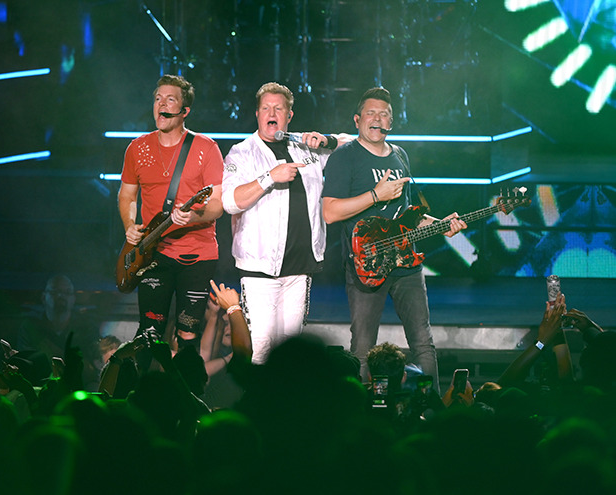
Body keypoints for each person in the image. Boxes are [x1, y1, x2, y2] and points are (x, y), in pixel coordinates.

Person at [321, 86, 467, 388]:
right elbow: (330, 213)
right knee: (362, 348)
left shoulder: (400, 155)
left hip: (406, 263)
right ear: (357, 120)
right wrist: (376, 194)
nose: (377, 119)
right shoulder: (344, 157)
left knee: (423, 342)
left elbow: (408, 216)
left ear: (392, 122)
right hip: (367, 265)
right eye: (371, 113)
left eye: (384, 114)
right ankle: (359, 413)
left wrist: (441, 224)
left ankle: (430, 408)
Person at [221, 81, 350, 363]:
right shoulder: (241, 153)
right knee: (262, 351)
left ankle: (289, 407)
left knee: (292, 355)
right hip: (260, 271)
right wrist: (270, 178)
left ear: (289, 116)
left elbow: (354, 144)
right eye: (266, 107)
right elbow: (230, 201)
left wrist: (325, 140)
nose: (272, 112)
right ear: (257, 114)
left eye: (278, 108)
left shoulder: (305, 147)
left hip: (300, 268)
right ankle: (258, 407)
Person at [118, 74, 224, 351]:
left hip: (196, 255)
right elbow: (127, 194)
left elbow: (217, 205)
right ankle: (142, 393)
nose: (161, 104)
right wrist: (130, 224)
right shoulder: (137, 148)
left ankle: (187, 392)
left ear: (184, 111)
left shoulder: (206, 148)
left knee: (188, 335)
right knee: (149, 333)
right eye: (157, 98)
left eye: (170, 99)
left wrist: (194, 216)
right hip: (155, 253)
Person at [17, 274, 100, 390]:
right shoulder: (30, 327)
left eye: (67, 292)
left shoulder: (86, 328)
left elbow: (92, 369)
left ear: (73, 299)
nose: (61, 296)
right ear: (43, 297)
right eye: (55, 292)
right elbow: (27, 366)